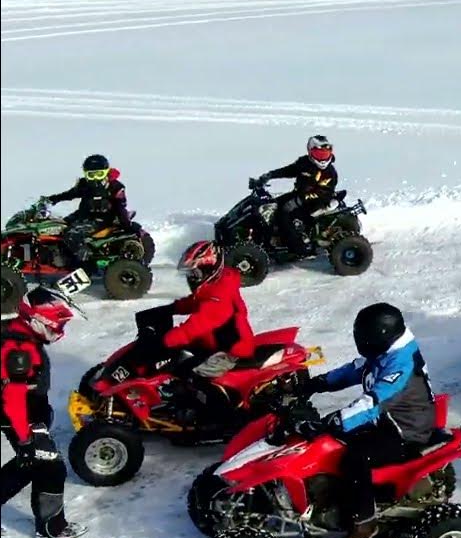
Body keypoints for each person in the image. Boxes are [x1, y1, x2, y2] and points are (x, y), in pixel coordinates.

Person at [294, 303, 436, 538]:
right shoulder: (384, 353)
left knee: (354, 458)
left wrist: (335, 420)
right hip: (386, 421)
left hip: (406, 430)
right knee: (331, 445)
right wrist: (317, 383)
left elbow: (372, 402)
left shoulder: (401, 364)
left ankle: (365, 522)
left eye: (365, 338)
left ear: (380, 336)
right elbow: (355, 369)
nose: (362, 343)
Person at [1, 287, 87, 538]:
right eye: (58, 325)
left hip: (25, 414)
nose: (60, 331)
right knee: (51, 469)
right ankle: (52, 528)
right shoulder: (19, 350)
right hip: (18, 417)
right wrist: (25, 439)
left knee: (28, 465)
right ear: (39, 320)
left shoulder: (17, 332)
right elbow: (13, 399)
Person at [159, 241, 256, 422]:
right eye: (190, 274)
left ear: (210, 269)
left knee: (197, 375)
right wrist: (172, 308)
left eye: (195, 273)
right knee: (179, 362)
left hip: (231, 349)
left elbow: (195, 326)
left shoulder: (220, 295)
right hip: (213, 341)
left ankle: (220, 419)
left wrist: (165, 341)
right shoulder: (214, 286)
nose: (192, 278)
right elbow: (197, 302)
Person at [253, 135, 338, 259]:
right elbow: (290, 170)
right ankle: (271, 237)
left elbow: (323, 193)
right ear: (310, 151)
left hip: (317, 202)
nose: (323, 159)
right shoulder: (304, 163)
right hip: (300, 195)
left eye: (325, 154)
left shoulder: (329, 173)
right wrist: (270, 175)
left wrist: (298, 201)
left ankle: (299, 248)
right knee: (272, 205)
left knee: (284, 214)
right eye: (319, 154)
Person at [43, 154, 136, 267]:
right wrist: (51, 199)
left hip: (104, 219)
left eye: (99, 174)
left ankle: (86, 263)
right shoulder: (84, 185)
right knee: (56, 227)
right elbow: (69, 195)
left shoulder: (115, 187)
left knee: (72, 234)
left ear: (106, 172)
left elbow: (120, 207)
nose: (96, 178)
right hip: (83, 215)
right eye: (91, 175)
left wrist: (127, 226)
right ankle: (58, 257)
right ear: (86, 174)